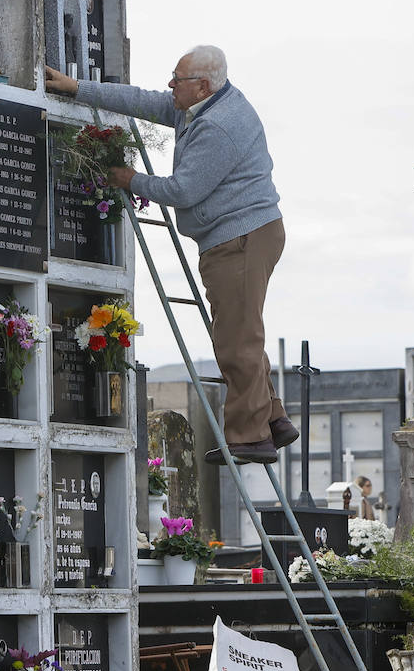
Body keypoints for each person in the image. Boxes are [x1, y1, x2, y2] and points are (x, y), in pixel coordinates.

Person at [45, 45, 295, 466]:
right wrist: (77, 88)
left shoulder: (219, 125)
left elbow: (183, 190)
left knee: (237, 343)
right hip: (239, 235)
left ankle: (250, 438)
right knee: (241, 331)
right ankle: (272, 419)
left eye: (177, 79)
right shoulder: (200, 103)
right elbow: (145, 100)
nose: (169, 85)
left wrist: (130, 179)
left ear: (202, 86)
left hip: (241, 238)